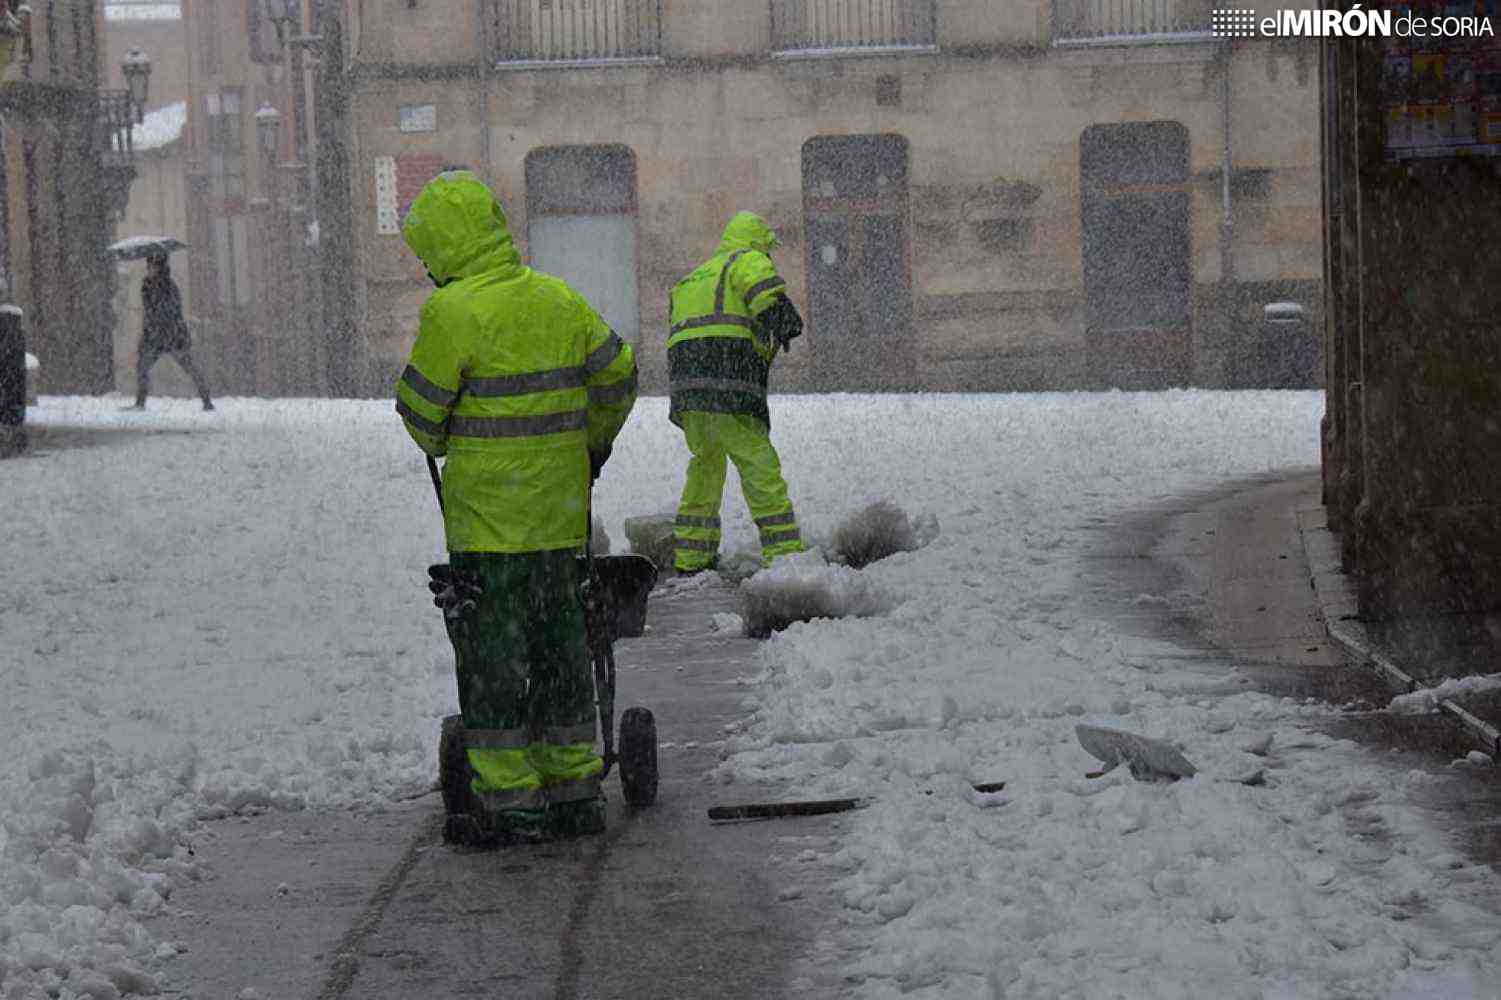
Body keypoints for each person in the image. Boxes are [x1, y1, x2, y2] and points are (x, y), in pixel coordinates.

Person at [396, 169, 638, 841]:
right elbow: (618, 375)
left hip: (486, 533)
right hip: (560, 524)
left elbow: (420, 420)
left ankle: (512, 803)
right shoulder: (558, 299)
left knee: (495, 664)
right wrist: (590, 442)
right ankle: (575, 792)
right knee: (563, 653)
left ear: (446, 247)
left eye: (428, 254)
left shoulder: (452, 314)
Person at [666, 210, 806, 575]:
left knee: (705, 465)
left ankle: (692, 556)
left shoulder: (695, 275)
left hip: (687, 386)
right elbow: (762, 292)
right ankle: (786, 554)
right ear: (758, 243)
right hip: (727, 377)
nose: (769, 257)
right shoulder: (747, 259)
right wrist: (784, 320)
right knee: (758, 461)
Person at [132, 254, 213, 411]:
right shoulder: (147, 286)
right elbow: (149, 310)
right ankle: (140, 401)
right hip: (154, 336)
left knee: (190, 367)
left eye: (151, 267)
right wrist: (148, 289)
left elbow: (171, 311)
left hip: (172, 335)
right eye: (148, 267)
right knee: (142, 366)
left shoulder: (169, 286)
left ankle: (206, 398)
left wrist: (159, 314)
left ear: (159, 268)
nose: (148, 270)